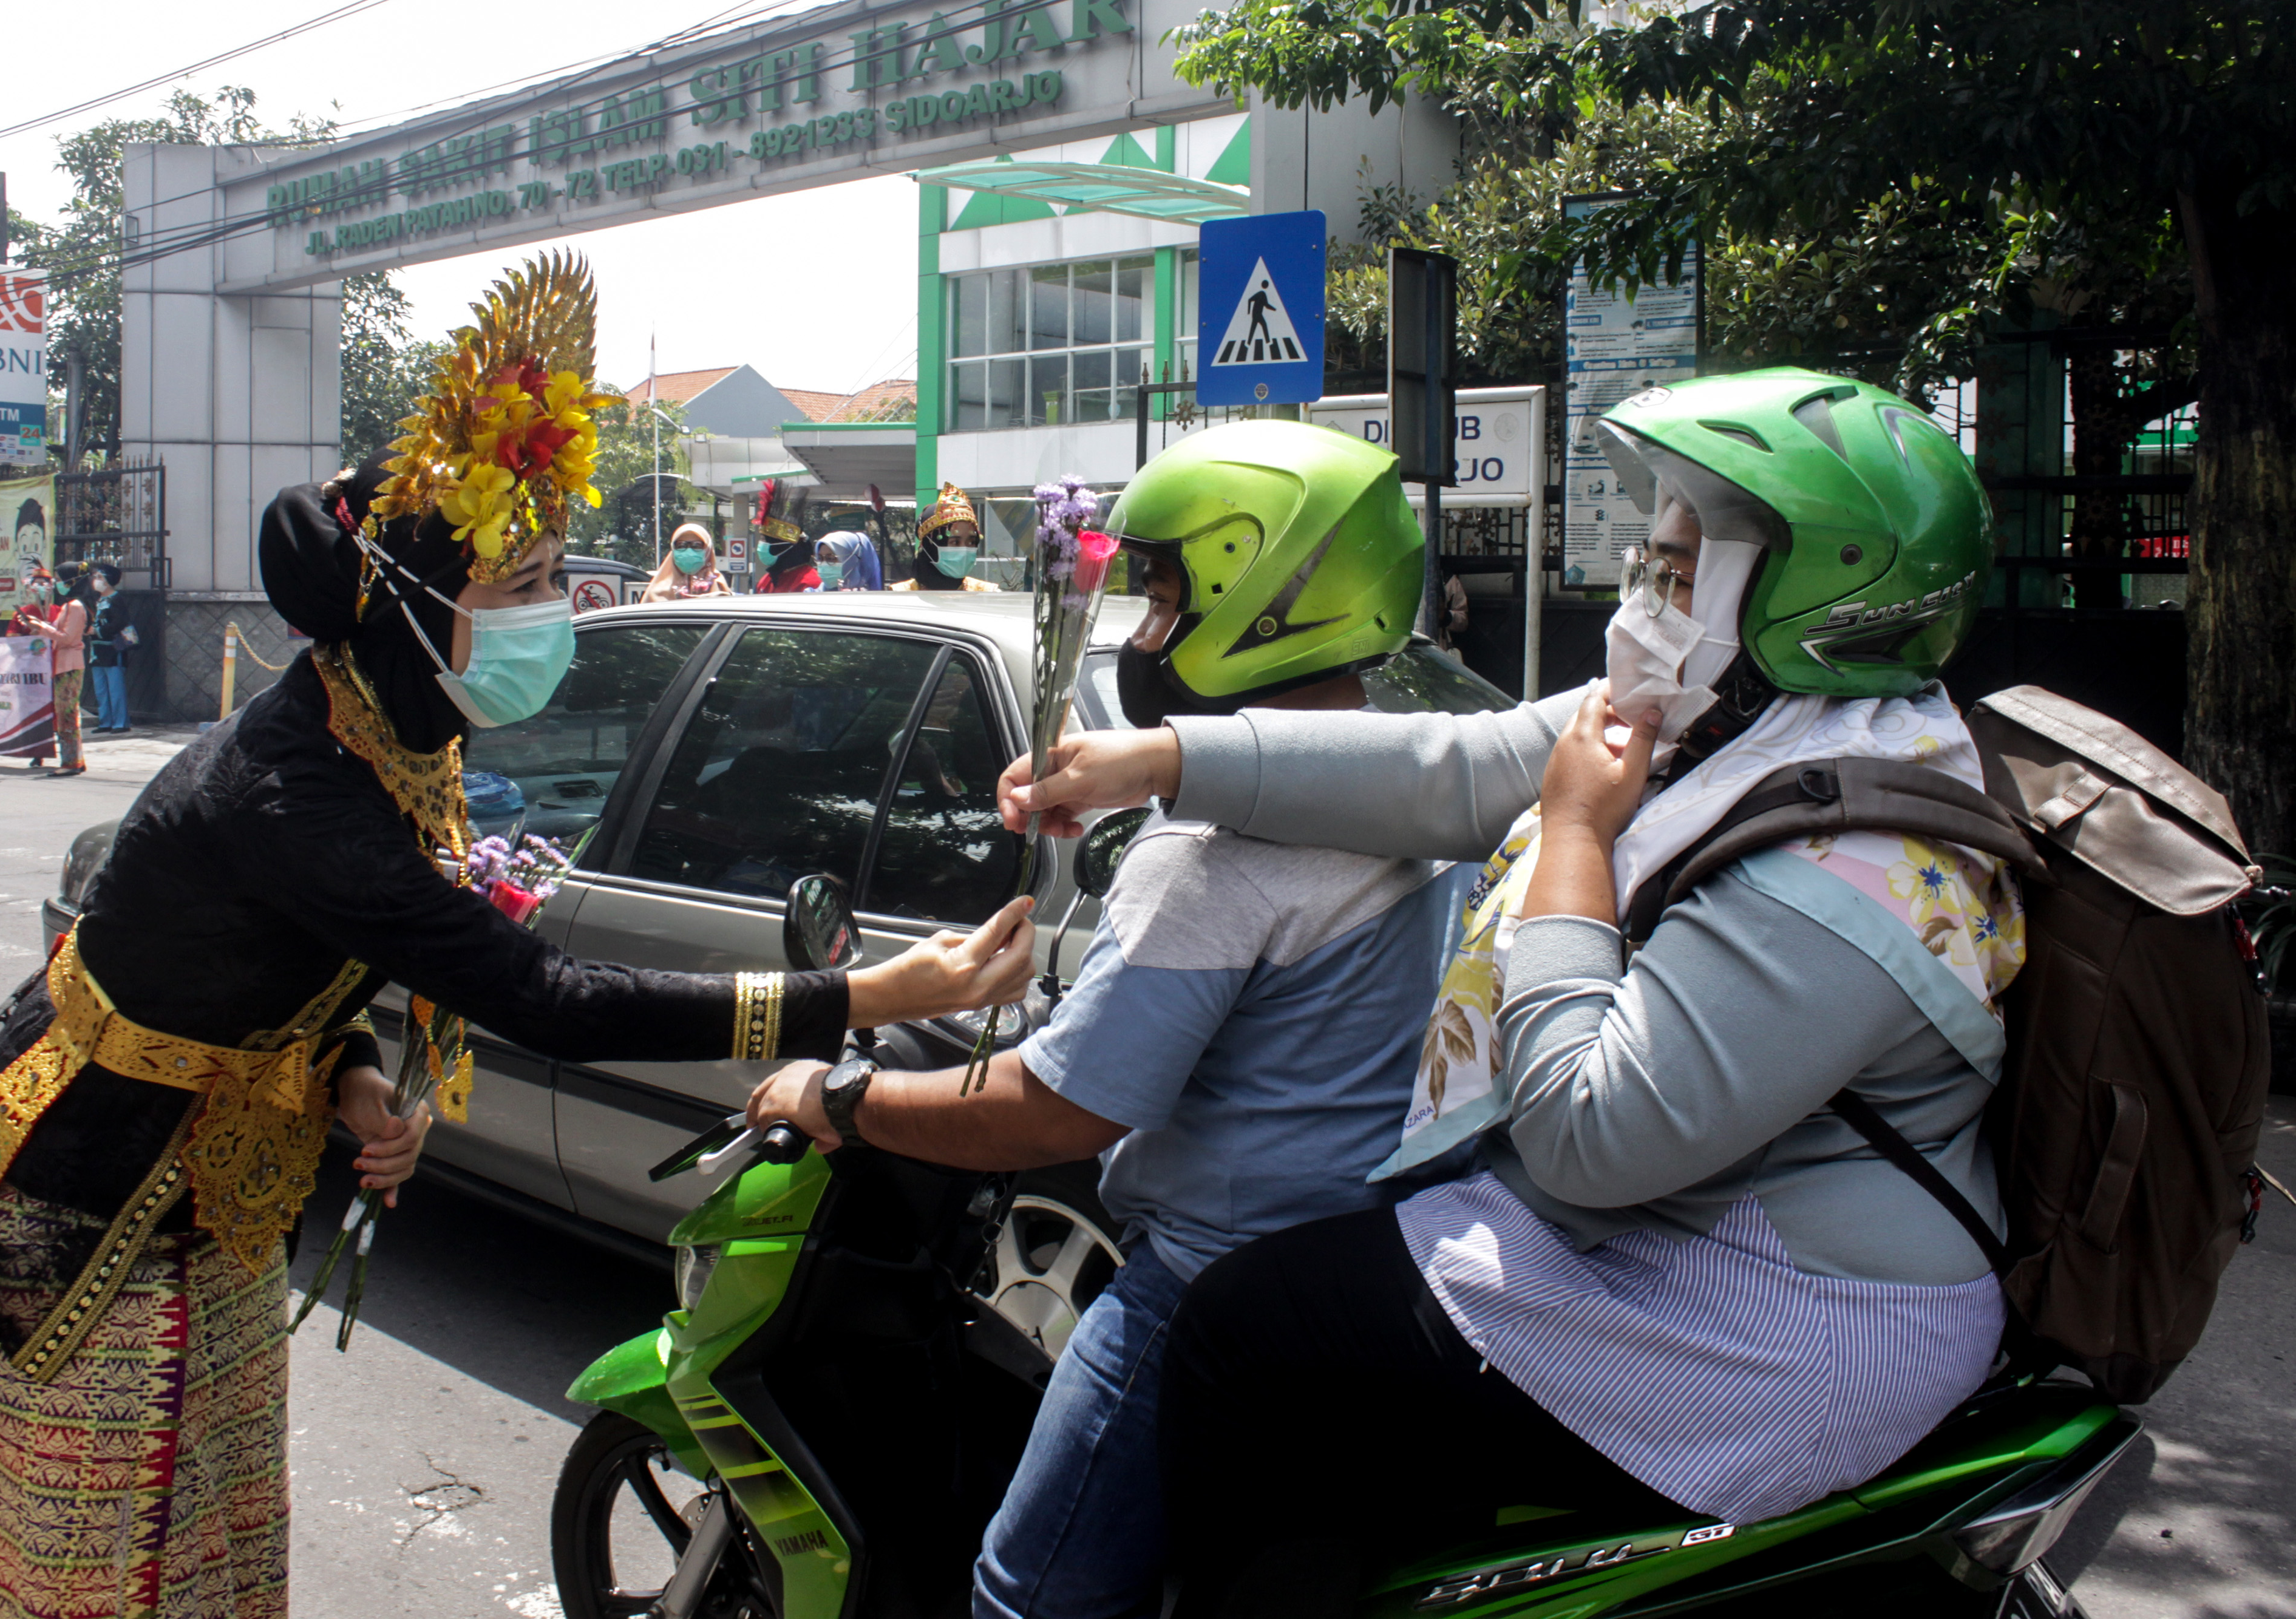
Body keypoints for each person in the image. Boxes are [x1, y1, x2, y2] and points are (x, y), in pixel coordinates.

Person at [0, 257, 1038, 1619]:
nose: (554, 606)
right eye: (521, 579)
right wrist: (857, 996)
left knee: (208, 1545)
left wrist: (348, 1071)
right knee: (87, 1560)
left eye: (553, 572)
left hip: (217, 1188)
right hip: (85, 1200)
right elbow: (541, 994)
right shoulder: (296, 787)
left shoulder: (392, 729)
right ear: (412, 599)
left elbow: (276, 969)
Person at [1005, 370, 2018, 1612]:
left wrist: (1577, 835)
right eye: (1649, 563)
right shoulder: (1730, 729)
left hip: (1784, 1326)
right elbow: (1461, 765)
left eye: (1679, 572)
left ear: (1806, 592)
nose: (1643, 603)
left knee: (1247, 1332)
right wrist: (1160, 760)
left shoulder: (1850, 863)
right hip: (1679, 1240)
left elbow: (1591, 1139)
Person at [753, 421, 1452, 1619]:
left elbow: (1054, 1112)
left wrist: (843, 1098)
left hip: (1210, 1282)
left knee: (1026, 1594)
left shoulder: (1216, 855)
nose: (1144, 635)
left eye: (1167, 600)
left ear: (1268, 602)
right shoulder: (1425, 784)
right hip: (1380, 1266)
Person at [18, 560, 90, 776]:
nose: (57, 584)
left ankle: (71, 762)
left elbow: (67, 638)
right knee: (67, 713)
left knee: (66, 713)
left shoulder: (74, 606)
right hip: (64, 662)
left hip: (69, 663)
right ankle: (75, 759)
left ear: (72, 581)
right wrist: (39, 625)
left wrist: (41, 627)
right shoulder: (71, 605)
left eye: (59, 580)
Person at [889, 481, 999, 591]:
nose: (965, 550)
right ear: (929, 547)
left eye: (971, 543)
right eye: (955, 542)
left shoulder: (988, 593)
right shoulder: (901, 595)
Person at [86, 562, 134, 733]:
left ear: (108, 580)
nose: (96, 580)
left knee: (115, 688)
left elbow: (120, 623)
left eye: (99, 577)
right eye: (95, 577)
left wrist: (98, 631)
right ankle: (105, 722)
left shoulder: (116, 599)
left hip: (113, 648)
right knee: (101, 688)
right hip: (97, 649)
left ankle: (121, 723)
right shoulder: (97, 600)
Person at [752, 483, 823, 593]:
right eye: (762, 539)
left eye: (766, 540)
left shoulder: (810, 583)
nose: (761, 544)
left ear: (784, 547)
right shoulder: (767, 580)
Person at [641, 522, 731, 599]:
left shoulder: (720, 587)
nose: (689, 551)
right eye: (681, 546)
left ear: (708, 550)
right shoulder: (657, 593)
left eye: (696, 546)